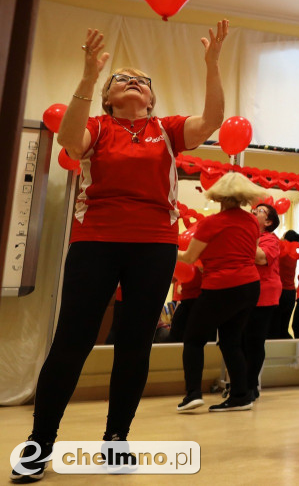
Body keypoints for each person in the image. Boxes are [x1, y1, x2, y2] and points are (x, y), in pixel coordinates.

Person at [10, 24, 227, 483]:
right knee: (73, 341)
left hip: (155, 246)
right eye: (122, 78)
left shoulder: (165, 129)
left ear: (150, 99)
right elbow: (69, 141)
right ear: (108, 98)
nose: (133, 80)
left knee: (134, 345)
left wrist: (212, 64)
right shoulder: (96, 125)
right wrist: (89, 77)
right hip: (96, 242)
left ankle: (116, 438)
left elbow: (210, 121)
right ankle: (40, 443)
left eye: (142, 80)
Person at [175, 172, 266, 413]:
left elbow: (189, 257)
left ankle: (193, 393)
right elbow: (248, 252)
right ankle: (240, 395)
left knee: (193, 340)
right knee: (231, 342)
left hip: (221, 287)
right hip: (250, 286)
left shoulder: (210, 223)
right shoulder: (251, 222)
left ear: (220, 197)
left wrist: (167, 247)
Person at [242, 203, 282, 400]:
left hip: (264, 294)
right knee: (240, 341)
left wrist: (246, 237)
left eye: (260, 211)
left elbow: (260, 258)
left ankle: (250, 386)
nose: (254, 212)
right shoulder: (249, 236)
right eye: (254, 209)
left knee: (254, 341)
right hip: (245, 293)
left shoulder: (270, 239)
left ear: (268, 222)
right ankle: (243, 385)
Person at [275, 229, 299, 338]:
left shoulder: (281, 253)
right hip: (291, 293)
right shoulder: (294, 255)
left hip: (280, 293)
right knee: (284, 327)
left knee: (275, 327)